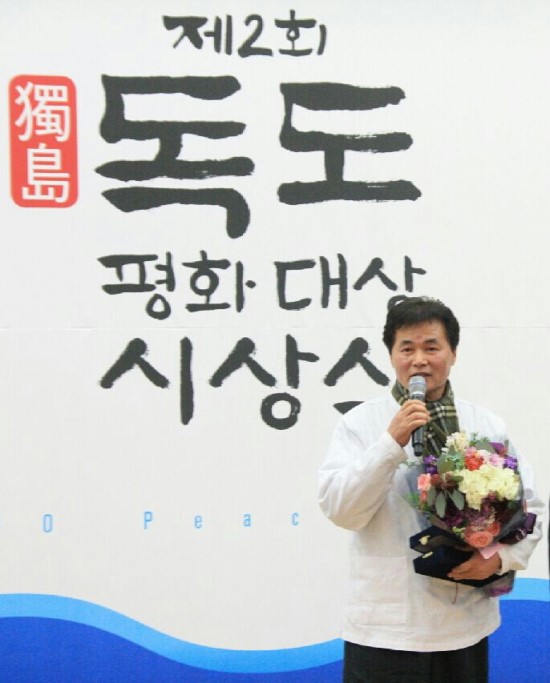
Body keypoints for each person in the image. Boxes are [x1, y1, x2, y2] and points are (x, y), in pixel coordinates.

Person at [318, 297, 543, 683]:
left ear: (453, 353)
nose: (419, 360)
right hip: (385, 628)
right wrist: (390, 444)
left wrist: (500, 559)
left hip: (465, 624)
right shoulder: (360, 424)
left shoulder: (484, 423)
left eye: (431, 347)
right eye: (407, 349)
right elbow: (341, 511)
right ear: (392, 356)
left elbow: (530, 506)